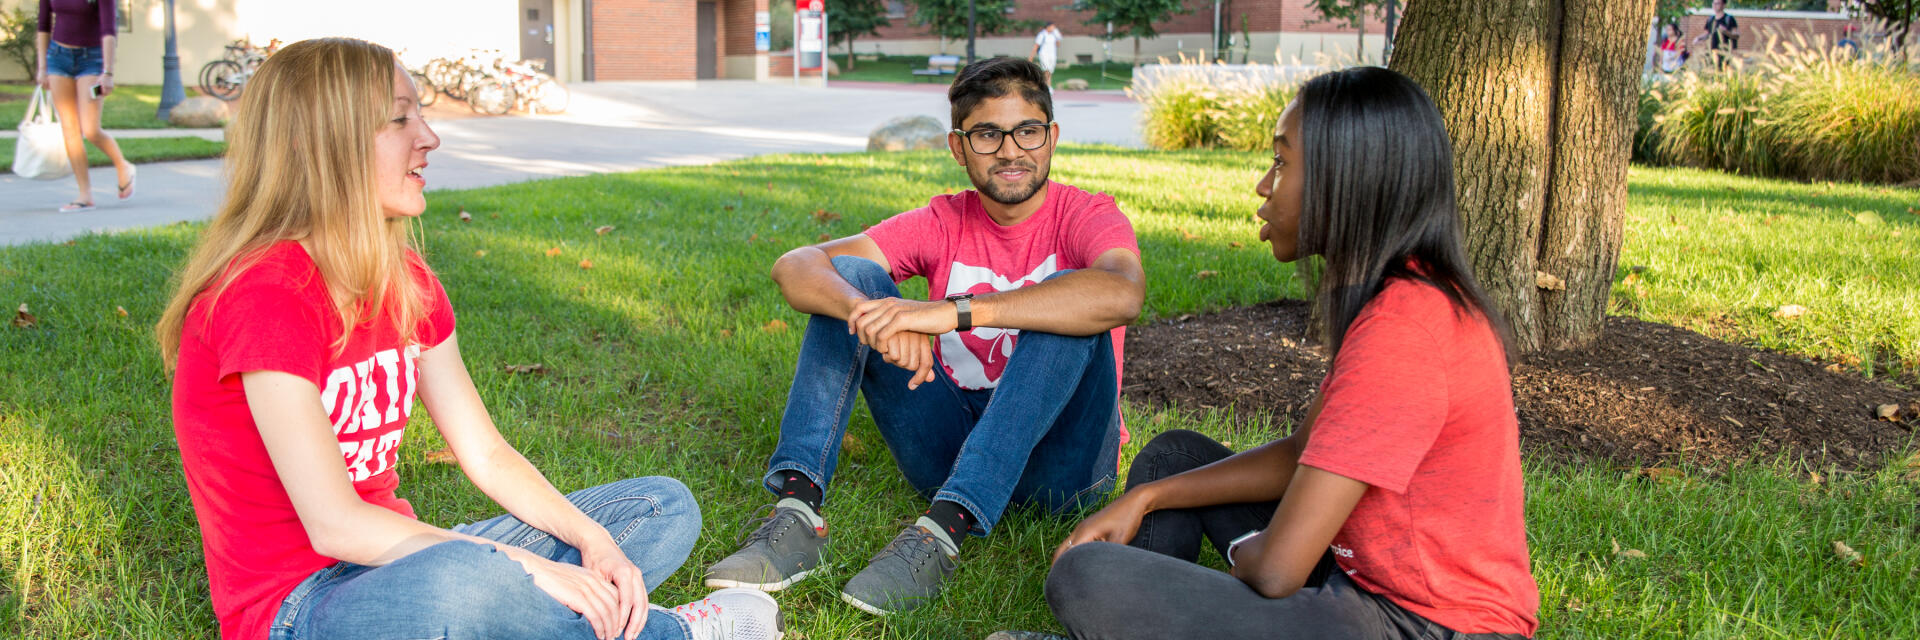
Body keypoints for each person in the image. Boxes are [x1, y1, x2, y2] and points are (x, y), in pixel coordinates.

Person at [155, 38, 781, 640]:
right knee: (461, 586)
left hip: (400, 557)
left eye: (421, 114)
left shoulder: (407, 280)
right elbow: (335, 526)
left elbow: (484, 454)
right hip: (303, 607)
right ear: (324, 146)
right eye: (400, 119)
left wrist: (592, 544)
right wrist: (530, 570)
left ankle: (536, 616)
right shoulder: (265, 293)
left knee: (658, 508)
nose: (429, 137)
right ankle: (676, 632)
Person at [1042, 66, 1539, 640]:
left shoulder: (1405, 332)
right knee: (1173, 461)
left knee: (1086, 576)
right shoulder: (1406, 295)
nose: (1262, 185)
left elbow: (1278, 570)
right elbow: (1302, 453)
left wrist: (1242, 558)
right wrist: (1149, 499)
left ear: (1342, 182)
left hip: (1428, 626)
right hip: (1363, 585)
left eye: (1281, 162)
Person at [704, 56, 1144, 616]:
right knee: (854, 278)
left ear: (1051, 137)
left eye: (1027, 131)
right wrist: (875, 316)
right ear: (959, 147)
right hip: (951, 446)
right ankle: (795, 514)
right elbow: (797, 264)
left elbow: (1122, 293)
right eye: (988, 134)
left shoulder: (1086, 215)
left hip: (1064, 469)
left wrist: (947, 314)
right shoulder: (942, 221)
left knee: (1068, 301)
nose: (1011, 151)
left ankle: (941, 533)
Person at [34, 0, 136, 213]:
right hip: (57, 58)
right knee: (69, 129)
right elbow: (43, 25)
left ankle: (122, 165)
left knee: (90, 130)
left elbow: (109, 30)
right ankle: (85, 195)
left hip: (93, 60)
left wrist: (107, 72)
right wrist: (42, 67)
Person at [1692, 0, 1740, 70]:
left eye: (1717, 3)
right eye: (1713, 3)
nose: (1714, 5)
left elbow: (1736, 35)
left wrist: (1726, 32)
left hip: (1725, 53)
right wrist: (1698, 38)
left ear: (1723, 5)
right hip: (1711, 53)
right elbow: (1707, 33)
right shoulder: (1710, 19)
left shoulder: (1729, 19)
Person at [1029, 22, 1063, 90]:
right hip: (1044, 54)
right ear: (1048, 27)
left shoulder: (1054, 35)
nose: (1054, 28)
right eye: (1052, 27)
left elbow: (1058, 45)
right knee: (1046, 70)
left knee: (1050, 70)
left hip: (1052, 55)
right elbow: (1036, 46)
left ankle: (1046, 86)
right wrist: (1031, 57)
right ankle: (1048, 87)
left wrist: (1058, 37)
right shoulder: (1042, 34)